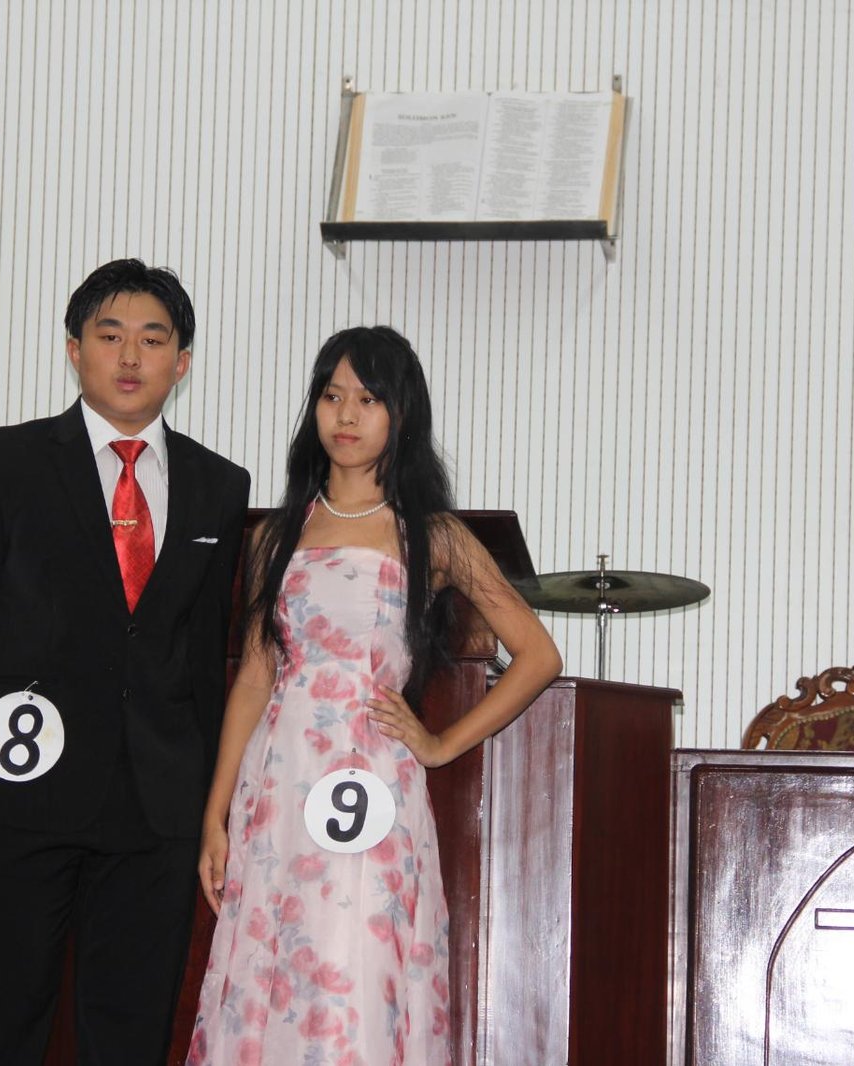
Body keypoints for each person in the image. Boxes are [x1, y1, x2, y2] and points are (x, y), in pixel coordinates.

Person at [0, 258, 251, 1065]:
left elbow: (204, 661)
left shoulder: (219, 486)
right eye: (109, 336)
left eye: (153, 339)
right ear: (74, 350)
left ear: (182, 362)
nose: (130, 356)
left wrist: (215, 810)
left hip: (156, 809)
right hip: (21, 794)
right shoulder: (1, 463)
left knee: (130, 1038)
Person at [185, 325, 561, 1065]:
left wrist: (440, 744)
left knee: (358, 962)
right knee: (270, 968)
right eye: (332, 397)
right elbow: (255, 676)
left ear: (401, 413)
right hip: (279, 782)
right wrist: (215, 812)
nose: (346, 415)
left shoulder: (434, 536)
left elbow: (539, 655)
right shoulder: (274, 536)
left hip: (373, 781)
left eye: (367, 399)